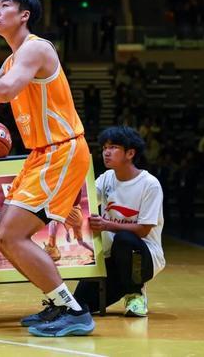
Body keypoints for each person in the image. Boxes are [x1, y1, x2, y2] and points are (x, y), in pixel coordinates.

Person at [0, 0, 94, 337]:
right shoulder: (13, 59)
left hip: (62, 149)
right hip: (41, 153)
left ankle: (74, 312)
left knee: (13, 234)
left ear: (24, 15)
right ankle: (59, 304)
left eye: (5, 6)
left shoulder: (36, 49)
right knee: (3, 235)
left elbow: (3, 91)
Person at [73, 126, 165, 317]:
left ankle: (135, 294)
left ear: (130, 153)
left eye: (113, 147)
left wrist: (107, 225)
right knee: (79, 304)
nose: (106, 152)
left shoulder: (150, 184)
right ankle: (126, 285)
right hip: (111, 257)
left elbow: (143, 230)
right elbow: (85, 200)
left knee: (124, 239)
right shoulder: (107, 178)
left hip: (144, 255)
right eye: (104, 147)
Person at [44, 189, 95, 262]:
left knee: (53, 220)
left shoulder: (68, 200)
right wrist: (67, 232)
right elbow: (66, 219)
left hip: (74, 214)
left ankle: (52, 245)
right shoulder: (67, 203)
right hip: (76, 216)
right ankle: (93, 251)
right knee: (80, 242)